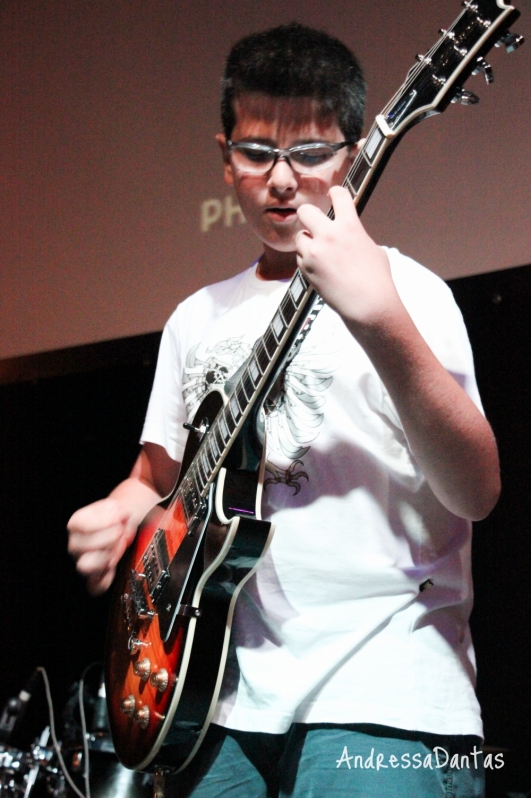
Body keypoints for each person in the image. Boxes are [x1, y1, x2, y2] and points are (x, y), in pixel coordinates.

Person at [68, 23, 500, 798]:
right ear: (223, 156)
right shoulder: (194, 318)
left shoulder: (413, 292)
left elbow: (476, 490)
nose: (280, 180)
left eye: (308, 154)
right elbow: (156, 479)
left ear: (352, 152)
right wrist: (116, 510)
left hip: (383, 689)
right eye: (256, 152)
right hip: (214, 706)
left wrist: (380, 321)